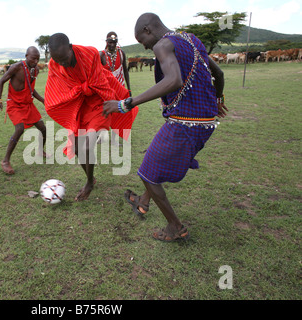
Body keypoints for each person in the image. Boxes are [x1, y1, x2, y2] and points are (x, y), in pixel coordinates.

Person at [103, 13, 228, 241]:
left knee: (147, 174)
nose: (146, 47)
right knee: (155, 163)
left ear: (148, 31)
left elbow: (173, 80)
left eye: (143, 42)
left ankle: (175, 227)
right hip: (206, 122)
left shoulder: (162, 45)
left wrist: (125, 104)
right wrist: (218, 99)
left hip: (186, 123)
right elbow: (218, 73)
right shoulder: (191, 40)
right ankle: (143, 201)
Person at [45, 33, 138, 201]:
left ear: (71, 47)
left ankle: (89, 182)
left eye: (65, 59)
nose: (63, 64)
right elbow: (58, 88)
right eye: (58, 61)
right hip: (79, 104)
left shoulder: (90, 54)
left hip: (99, 102)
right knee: (77, 147)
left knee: (87, 145)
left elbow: (99, 82)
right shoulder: (54, 64)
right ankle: (90, 177)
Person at [0, 46, 47, 175]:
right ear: (26, 56)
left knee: (43, 128)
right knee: (19, 129)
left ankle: (40, 151)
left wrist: (43, 100)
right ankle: (5, 161)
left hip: (28, 104)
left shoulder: (35, 70)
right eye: (33, 58)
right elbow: (1, 81)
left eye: (37, 59)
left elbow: (30, 88)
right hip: (15, 104)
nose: (35, 61)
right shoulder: (16, 67)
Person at [99, 31, 131, 146]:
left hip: (120, 88)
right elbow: (97, 74)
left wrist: (129, 88)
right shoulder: (102, 55)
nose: (112, 44)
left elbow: (126, 71)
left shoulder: (121, 53)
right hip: (106, 90)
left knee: (118, 112)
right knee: (105, 112)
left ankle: (114, 139)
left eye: (114, 42)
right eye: (110, 42)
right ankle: (101, 136)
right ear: (106, 42)